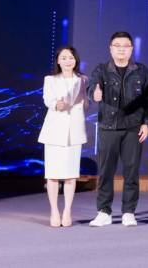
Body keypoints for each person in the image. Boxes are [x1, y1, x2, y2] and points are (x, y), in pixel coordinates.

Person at [87, 31, 148, 227]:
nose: (121, 49)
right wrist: (94, 94)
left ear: (131, 49)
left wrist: (146, 123)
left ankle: (128, 212)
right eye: (117, 46)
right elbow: (91, 89)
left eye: (125, 46)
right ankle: (103, 212)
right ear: (110, 49)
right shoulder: (101, 70)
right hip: (108, 127)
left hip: (134, 128)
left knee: (131, 171)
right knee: (106, 171)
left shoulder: (141, 71)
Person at [38, 46, 88, 227]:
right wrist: (57, 104)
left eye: (71, 57)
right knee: (52, 174)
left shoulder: (83, 80)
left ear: (76, 60)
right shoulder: (50, 79)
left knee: (70, 175)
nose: (68, 61)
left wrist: (88, 100)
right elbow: (48, 100)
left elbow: (86, 103)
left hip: (74, 132)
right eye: (64, 58)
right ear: (58, 61)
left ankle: (67, 211)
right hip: (54, 131)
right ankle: (54, 211)